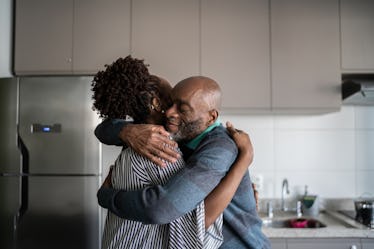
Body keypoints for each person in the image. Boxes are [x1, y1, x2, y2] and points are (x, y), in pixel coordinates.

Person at [92, 56, 254, 249]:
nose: (171, 111)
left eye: (181, 107)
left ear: (211, 117)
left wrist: (106, 197)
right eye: (170, 101)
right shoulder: (150, 142)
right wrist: (124, 130)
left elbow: (178, 214)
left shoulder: (219, 147)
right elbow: (180, 218)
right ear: (155, 104)